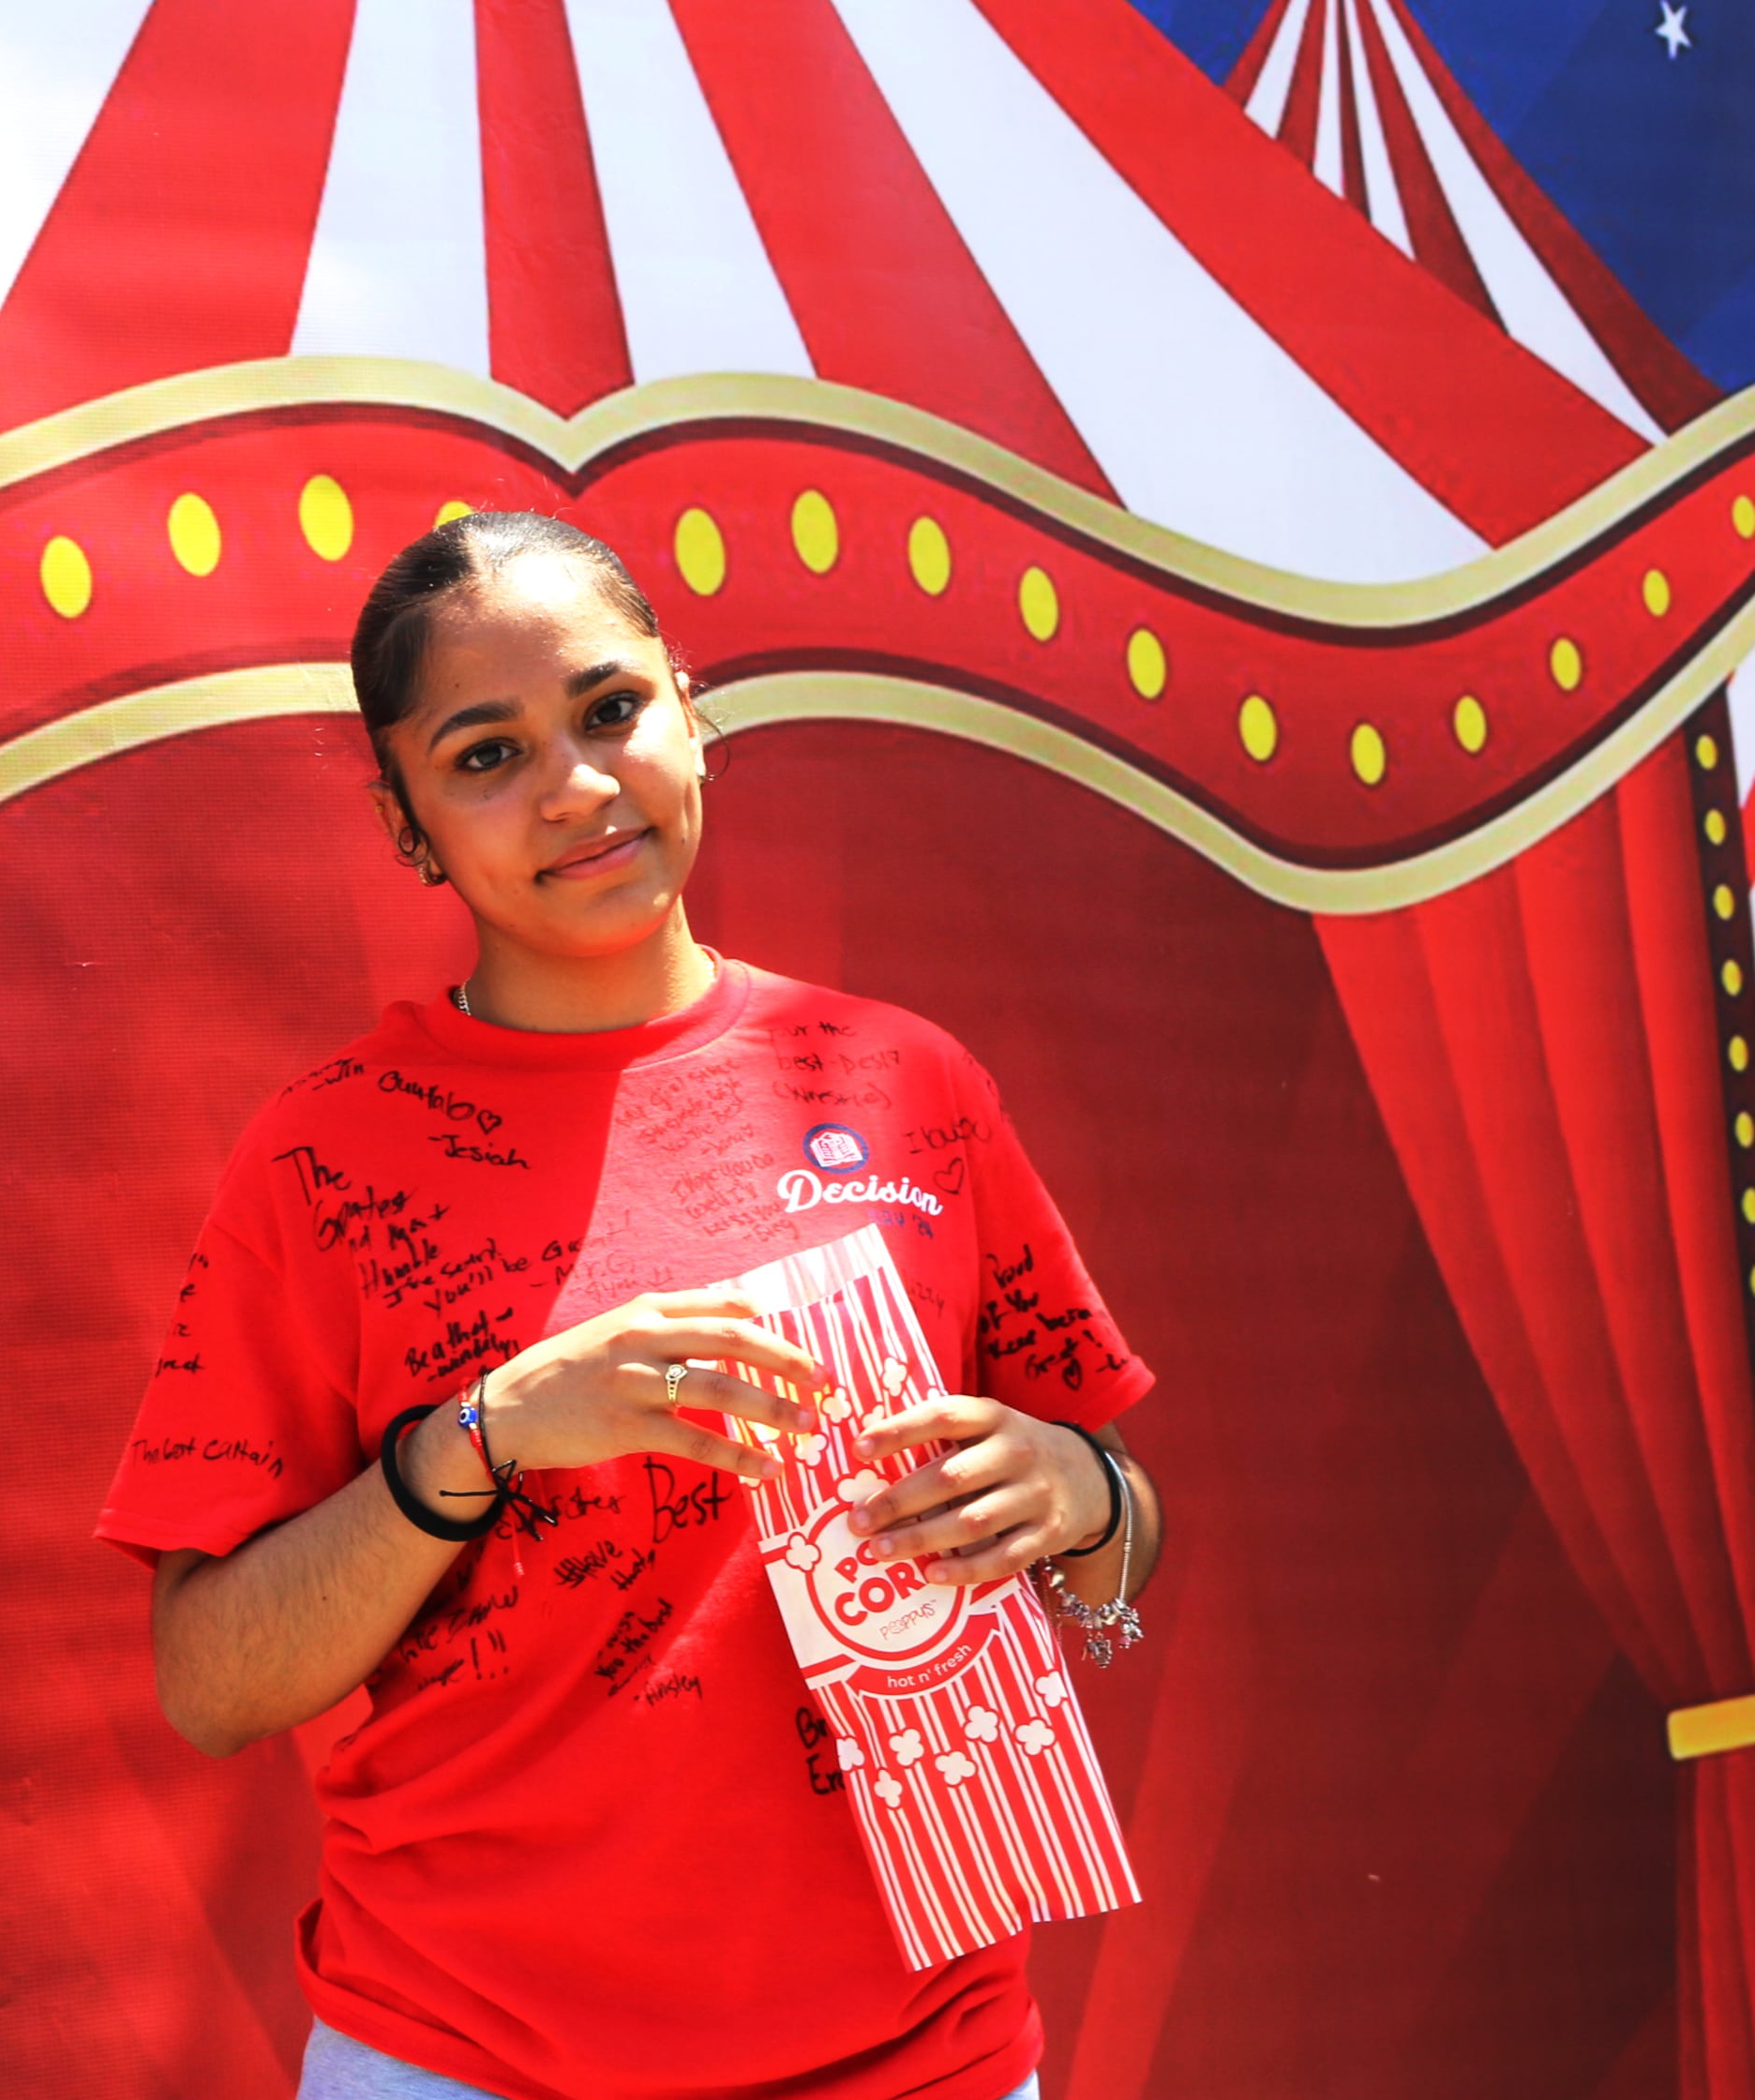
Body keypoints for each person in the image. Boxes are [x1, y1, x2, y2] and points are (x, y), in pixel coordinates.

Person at [97, 513, 1163, 2100]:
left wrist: (1081, 1499)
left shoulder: (905, 1083)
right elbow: (212, 1684)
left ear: (692, 711)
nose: (578, 786)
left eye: (610, 711)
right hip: (466, 2059)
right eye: (484, 755)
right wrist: (479, 1439)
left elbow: (1125, 1542)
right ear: (406, 829)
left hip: (922, 2060)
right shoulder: (325, 1157)